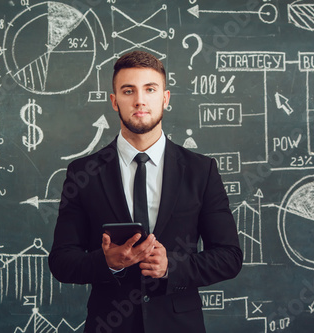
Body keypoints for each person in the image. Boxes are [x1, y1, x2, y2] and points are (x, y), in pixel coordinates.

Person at [48, 50, 242, 333]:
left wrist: (170, 268)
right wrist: (107, 262)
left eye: (150, 89)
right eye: (128, 91)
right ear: (114, 102)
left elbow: (229, 257)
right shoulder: (83, 173)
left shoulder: (201, 171)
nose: (140, 100)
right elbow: (61, 261)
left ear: (165, 98)